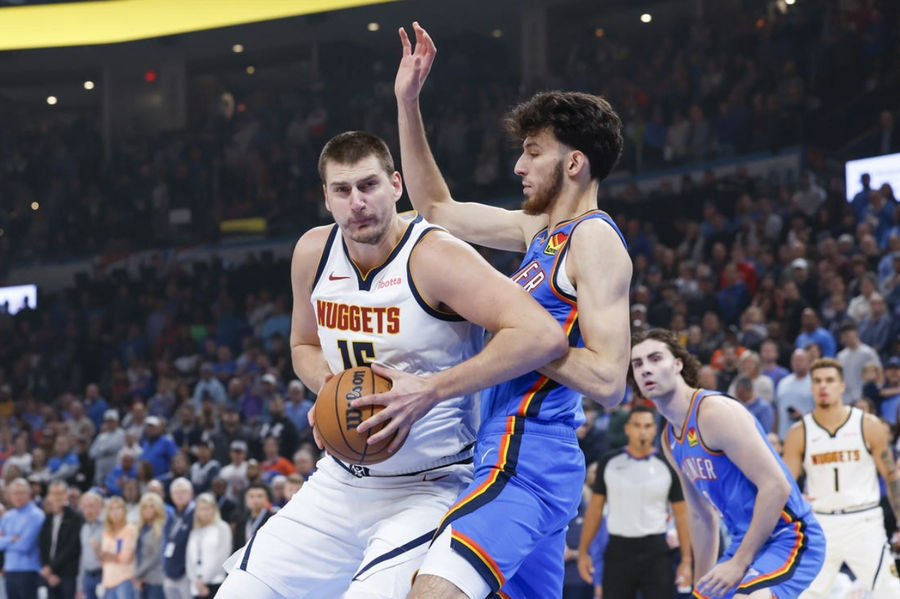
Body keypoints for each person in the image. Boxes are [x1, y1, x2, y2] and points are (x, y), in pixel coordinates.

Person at [217, 127, 567, 599]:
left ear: (396, 185)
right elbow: (302, 345)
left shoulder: (436, 256)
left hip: (428, 485)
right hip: (338, 482)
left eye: (368, 185)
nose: (357, 202)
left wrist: (431, 390)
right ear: (326, 198)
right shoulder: (312, 252)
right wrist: (331, 392)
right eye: (342, 190)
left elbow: (541, 335)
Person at [392, 23, 631, 598]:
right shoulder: (537, 232)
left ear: (573, 164)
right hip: (501, 451)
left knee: (431, 589)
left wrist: (529, 337)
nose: (519, 168)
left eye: (532, 153)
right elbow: (434, 207)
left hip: (528, 454)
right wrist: (407, 101)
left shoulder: (595, 240)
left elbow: (608, 379)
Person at [629, 329, 825, 598]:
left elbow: (776, 486)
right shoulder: (668, 438)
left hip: (788, 536)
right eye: (637, 364)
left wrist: (739, 563)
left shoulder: (714, 412)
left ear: (678, 364)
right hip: (744, 543)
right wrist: (702, 586)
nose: (645, 370)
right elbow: (700, 515)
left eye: (655, 359)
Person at [781, 358, 900, 597]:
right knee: (803, 594)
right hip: (820, 524)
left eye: (829, 380)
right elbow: (784, 486)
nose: (823, 386)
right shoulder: (799, 432)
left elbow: (891, 476)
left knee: (890, 592)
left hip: (864, 521)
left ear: (842, 385)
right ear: (811, 387)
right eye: (817, 381)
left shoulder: (868, 424)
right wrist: (795, 501)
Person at [576, 406, 691, 599]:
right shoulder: (608, 463)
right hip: (619, 549)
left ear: (655, 429)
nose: (642, 431)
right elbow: (594, 510)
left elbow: (681, 515)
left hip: (656, 550)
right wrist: (583, 551)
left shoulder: (668, 467)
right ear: (627, 428)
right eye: (637, 425)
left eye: (647, 426)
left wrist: (686, 560)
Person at [0, 478, 45, 599]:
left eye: (21, 493)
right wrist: (11, 539)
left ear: (29, 494)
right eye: (15, 493)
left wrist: (5, 540)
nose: (18, 496)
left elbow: (25, 545)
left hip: (28, 570)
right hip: (9, 570)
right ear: (9, 495)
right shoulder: (8, 516)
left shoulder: (36, 515)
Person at [38, 481, 83, 599]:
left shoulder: (76, 518)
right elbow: (42, 547)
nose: (58, 497)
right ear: (48, 497)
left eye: (61, 493)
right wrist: (48, 571)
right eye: (54, 493)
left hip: (68, 575)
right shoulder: (47, 519)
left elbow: (72, 548)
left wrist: (51, 568)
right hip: (50, 576)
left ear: (66, 496)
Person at [186, 493, 232, 598]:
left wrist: (204, 580)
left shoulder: (222, 528)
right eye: (201, 509)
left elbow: (222, 557)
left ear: (214, 509)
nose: (205, 512)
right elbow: (189, 559)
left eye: (208, 509)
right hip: (196, 585)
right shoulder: (195, 530)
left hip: (215, 582)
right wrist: (195, 580)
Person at [96, 496, 137, 599]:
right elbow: (102, 558)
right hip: (108, 581)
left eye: (118, 508)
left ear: (124, 510)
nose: (115, 512)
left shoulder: (130, 529)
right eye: (111, 509)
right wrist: (104, 555)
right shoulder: (106, 532)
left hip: (125, 579)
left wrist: (107, 556)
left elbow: (126, 557)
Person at [162, 478, 194, 599]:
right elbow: (166, 542)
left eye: (183, 492)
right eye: (176, 492)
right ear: (171, 495)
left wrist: (190, 569)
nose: (179, 495)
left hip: (186, 574)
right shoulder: (171, 516)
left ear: (191, 493)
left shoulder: (195, 514)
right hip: (169, 572)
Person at [134, 493, 166, 599]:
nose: (148, 509)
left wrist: (138, 574)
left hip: (156, 579)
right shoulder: (141, 527)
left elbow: (156, 556)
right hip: (143, 579)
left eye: (151, 506)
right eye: (145, 506)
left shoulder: (162, 527)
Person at [230, 485, 274, 553]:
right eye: (251, 496)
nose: (255, 500)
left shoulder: (272, 519)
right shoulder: (241, 521)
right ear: (246, 500)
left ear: (267, 499)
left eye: (260, 496)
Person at [77, 491, 104, 599]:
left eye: (91, 506)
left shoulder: (107, 527)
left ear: (100, 506)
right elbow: (82, 558)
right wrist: (79, 586)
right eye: (85, 507)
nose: (88, 510)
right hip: (88, 577)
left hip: (103, 575)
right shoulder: (84, 528)